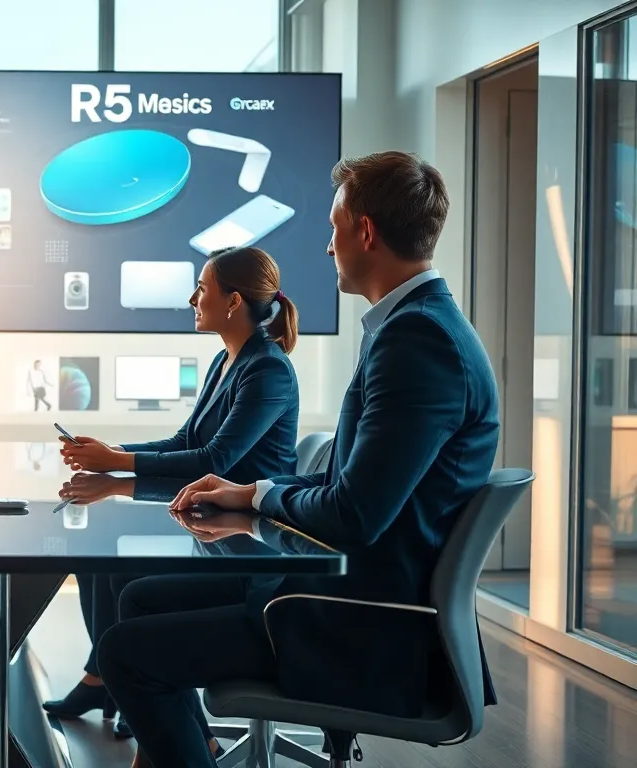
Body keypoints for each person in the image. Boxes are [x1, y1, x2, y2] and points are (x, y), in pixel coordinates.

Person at [98, 151, 501, 768]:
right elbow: (347, 481)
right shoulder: (414, 328)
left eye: (334, 228)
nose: (328, 246)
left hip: (360, 626)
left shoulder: (418, 341)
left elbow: (354, 513)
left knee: (125, 653)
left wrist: (258, 494)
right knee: (138, 602)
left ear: (365, 231)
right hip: (355, 600)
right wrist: (248, 491)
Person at [45, 246, 300, 749]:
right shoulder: (226, 361)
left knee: (129, 583)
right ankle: (107, 682)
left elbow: (217, 458)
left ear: (233, 301)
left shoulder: (267, 369)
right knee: (100, 564)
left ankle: (169, 718)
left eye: (201, 289)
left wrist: (117, 463)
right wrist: (114, 454)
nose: (192, 299)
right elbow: (186, 441)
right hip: (213, 525)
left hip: (248, 549)